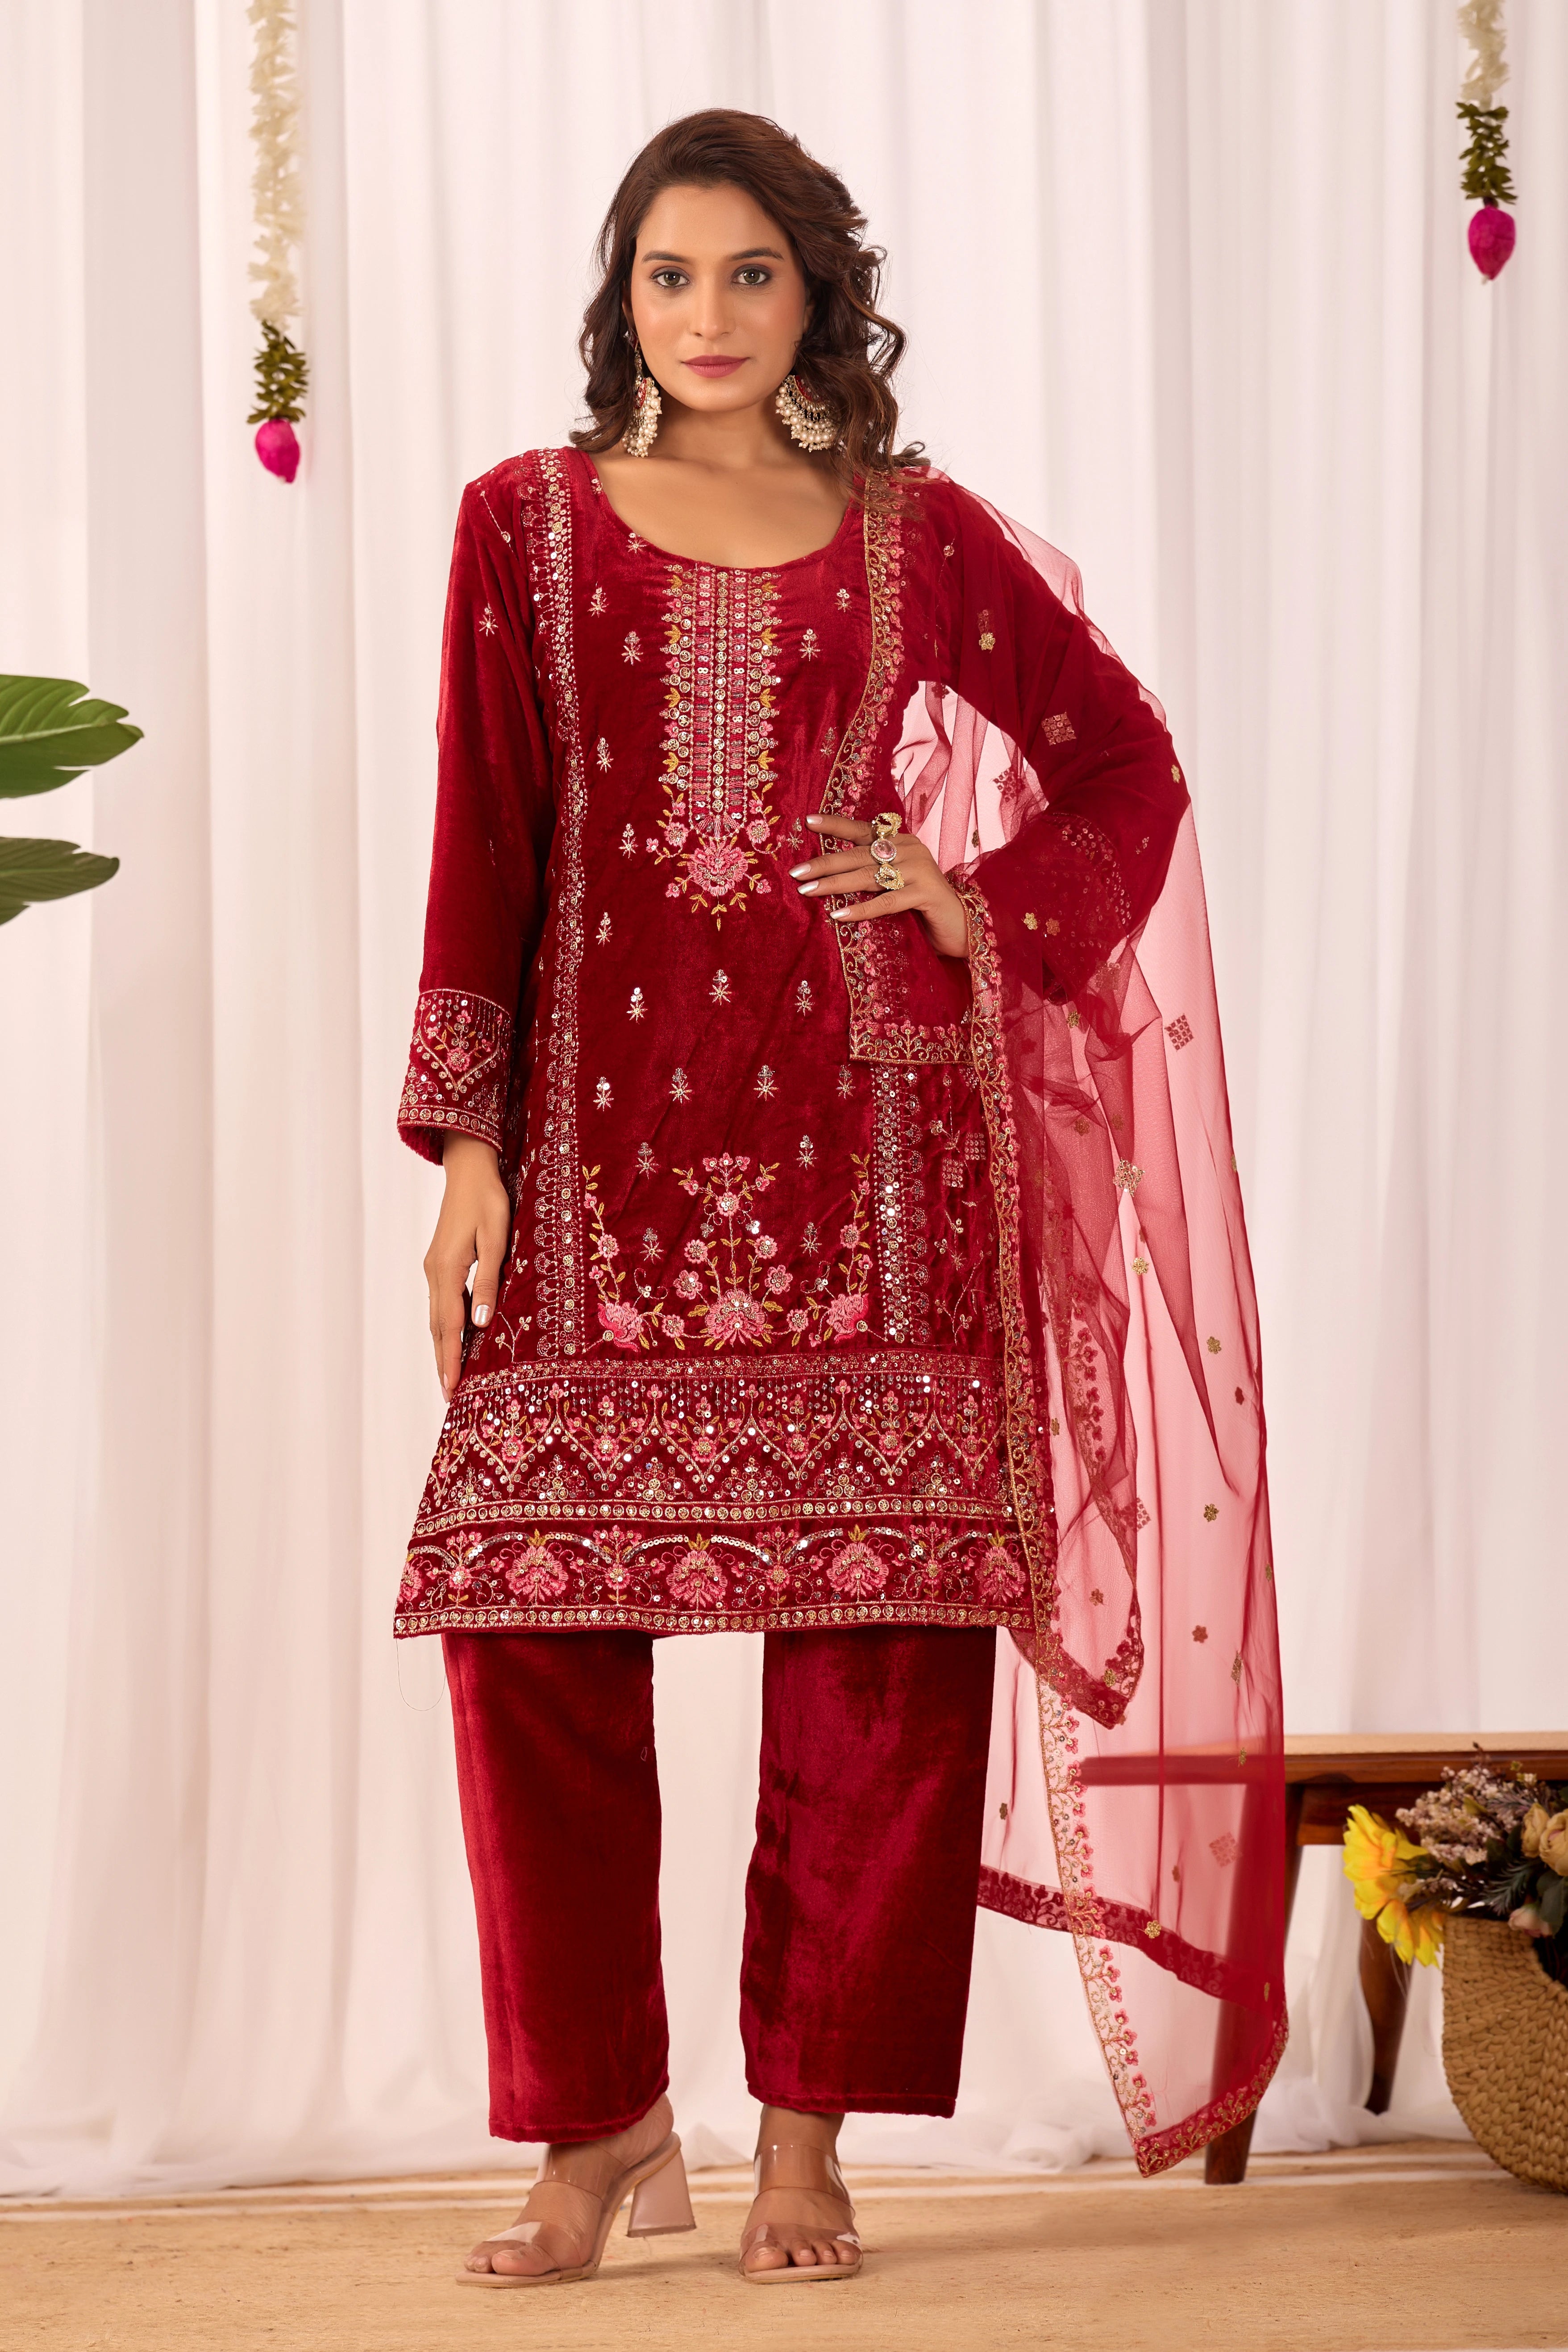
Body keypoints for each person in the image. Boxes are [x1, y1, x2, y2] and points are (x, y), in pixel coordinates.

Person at [396, 108, 1284, 2291]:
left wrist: (974, 905)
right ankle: (604, 2126)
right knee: (527, 1634)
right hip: (594, 1164)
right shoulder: (515, 527)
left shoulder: (918, 535)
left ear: (821, 297)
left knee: (877, 1658)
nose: (706, 318)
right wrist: (470, 1151)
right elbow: (484, 845)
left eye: (753, 276)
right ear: (620, 291)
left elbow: (1126, 762)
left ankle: (803, 2134)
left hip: (874, 1151)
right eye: (670, 275)